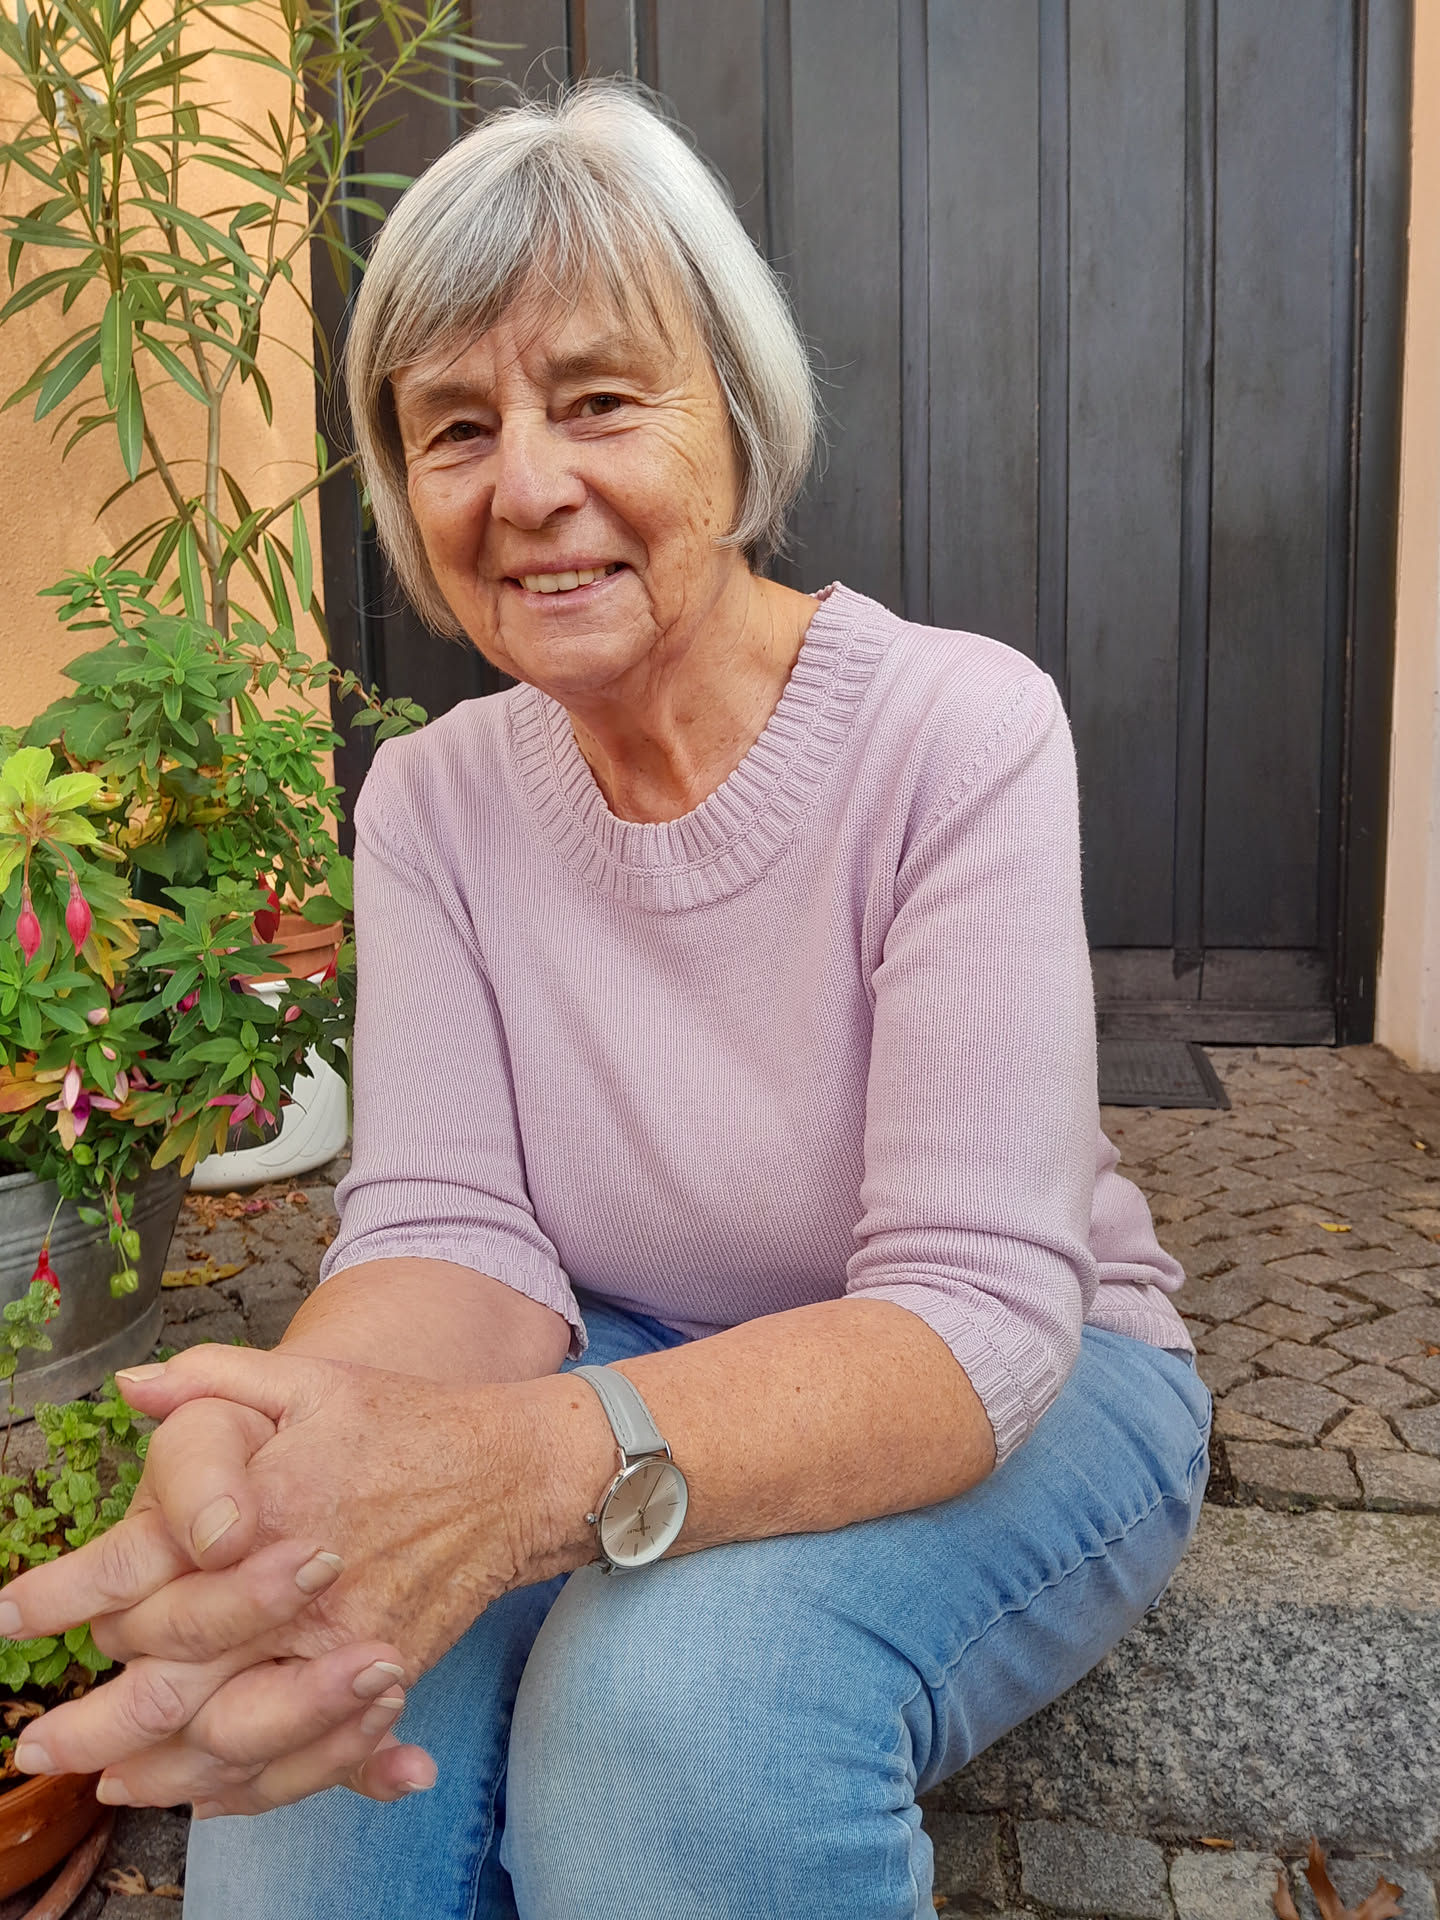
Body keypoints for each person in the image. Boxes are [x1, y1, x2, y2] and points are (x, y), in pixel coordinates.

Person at [0, 84, 1209, 1920]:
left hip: (1029, 1374)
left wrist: (529, 1469)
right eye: (454, 427)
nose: (527, 487)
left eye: (597, 400)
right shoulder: (434, 800)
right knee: (316, 1718)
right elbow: (452, 1236)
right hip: (621, 1343)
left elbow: (974, 1312)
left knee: (675, 1716)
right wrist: (284, 1444)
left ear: (734, 412)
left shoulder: (956, 733)